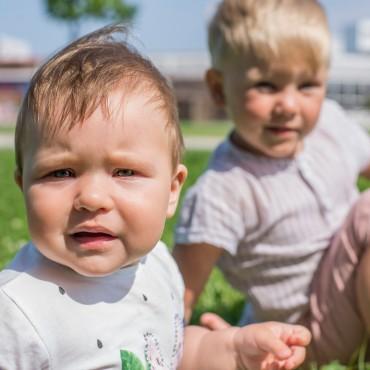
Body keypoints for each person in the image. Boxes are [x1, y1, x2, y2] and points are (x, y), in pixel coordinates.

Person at [0, 25, 311, 370]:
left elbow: (167, 355)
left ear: (172, 190)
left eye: (124, 172)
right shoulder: (17, 312)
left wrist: (233, 351)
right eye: (60, 173)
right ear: (23, 184)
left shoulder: (158, 266)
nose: (91, 198)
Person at [173, 0, 370, 366]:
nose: (289, 105)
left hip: (352, 293)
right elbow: (178, 296)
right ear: (218, 89)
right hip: (300, 334)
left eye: (308, 85)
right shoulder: (225, 189)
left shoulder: (332, 124)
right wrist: (189, 346)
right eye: (266, 85)